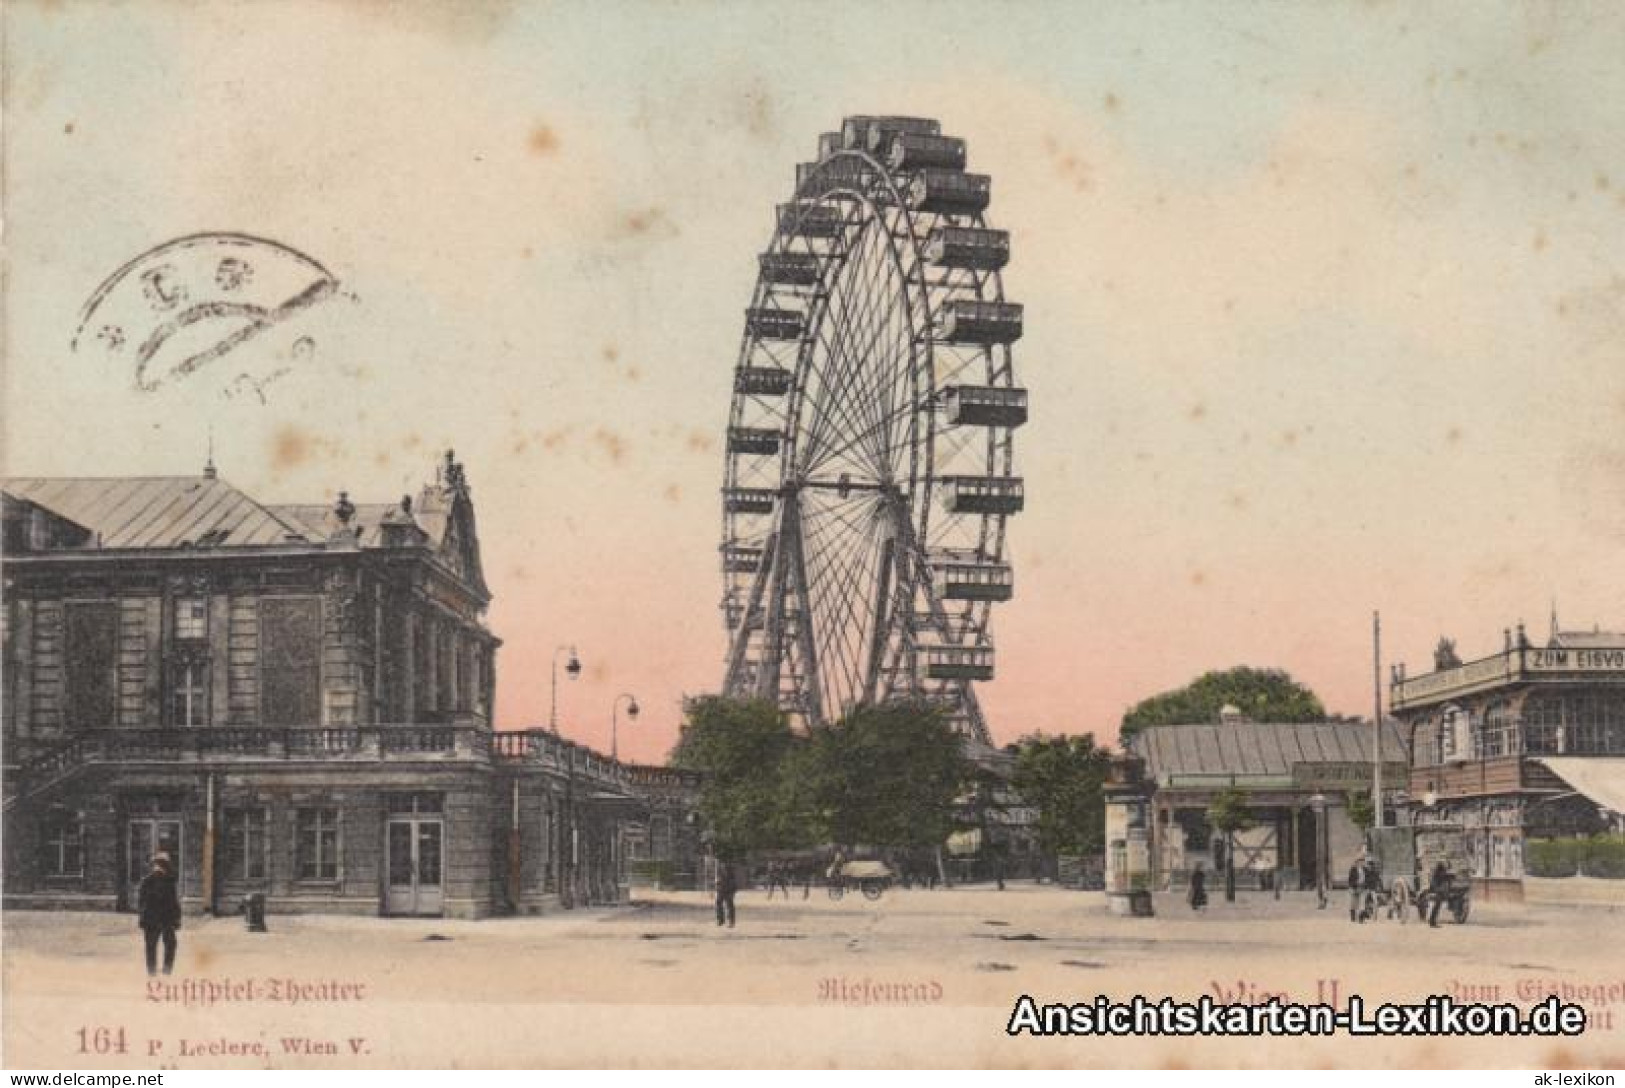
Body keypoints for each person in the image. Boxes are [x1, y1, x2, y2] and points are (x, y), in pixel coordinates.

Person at [137, 853, 182, 976]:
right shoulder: (167, 881)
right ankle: (165, 970)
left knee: (154, 945)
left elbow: (141, 903)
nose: (158, 867)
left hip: (155, 918)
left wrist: (142, 918)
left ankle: (153, 972)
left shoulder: (148, 881)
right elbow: (174, 903)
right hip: (164, 918)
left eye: (160, 865)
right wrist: (177, 919)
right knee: (168, 944)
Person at [1426, 861, 1452, 928]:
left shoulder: (1438, 873)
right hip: (1436, 892)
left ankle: (1432, 921)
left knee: (1436, 907)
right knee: (1435, 907)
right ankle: (1432, 921)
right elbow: (1434, 884)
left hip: (1437, 891)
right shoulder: (1438, 874)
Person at [714, 859, 738, 928]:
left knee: (729, 903)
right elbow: (718, 874)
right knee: (718, 902)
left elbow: (731, 875)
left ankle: (731, 921)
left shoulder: (729, 863)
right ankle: (720, 920)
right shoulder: (718, 863)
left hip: (729, 886)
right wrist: (717, 882)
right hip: (721, 886)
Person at [1347, 852, 1368, 923]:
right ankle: (1353, 916)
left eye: (1362, 861)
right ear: (1357, 862)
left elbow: (1367, 878)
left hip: (1362, 887)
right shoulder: (1353, 870)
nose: (1361, 863)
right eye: (1360, 861)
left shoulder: (1365, 869)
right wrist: (1353, 887)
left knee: (1362, 903)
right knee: (1353, 903)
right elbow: (1350, 880)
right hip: (1354, 887)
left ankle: (1361, 918)